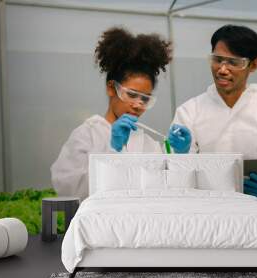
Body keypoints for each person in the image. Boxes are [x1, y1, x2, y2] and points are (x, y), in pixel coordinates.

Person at [170, 24, 257, 198]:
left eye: (234, 62)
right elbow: (175, 173)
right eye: (217, 59)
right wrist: (181, 154)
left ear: (254, 65)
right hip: (207, 211)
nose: (222, 70)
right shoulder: (190, 111)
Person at [51, 27, 173, 201]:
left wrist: (178, 154)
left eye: (145, 99)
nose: (138, 105)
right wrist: (111, 151)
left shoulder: (149, 145)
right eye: (131, 94)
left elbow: (165, 187)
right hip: (99, 224)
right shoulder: (88, 134)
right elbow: (68, 189)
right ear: (111, 88)